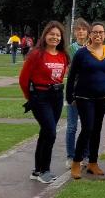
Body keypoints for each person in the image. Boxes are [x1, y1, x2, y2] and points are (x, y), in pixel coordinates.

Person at [19, 21, 69, 184]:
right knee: (51, 132)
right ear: (45, 35)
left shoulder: (63, 55)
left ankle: (37, 169)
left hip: (56, 96)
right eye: (51, 34)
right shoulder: (36, 54)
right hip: (40, 97)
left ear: (61, 38)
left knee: (46, 132)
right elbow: (23, 79)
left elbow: (61, 76)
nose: (54, 37)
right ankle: (45, 170)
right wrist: (30, 98)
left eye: (57, 35)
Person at [66, 21, 105, 180]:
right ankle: (76, 161)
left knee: (97, 130)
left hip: (102, 97)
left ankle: (93, 163)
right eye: (95, 32)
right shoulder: (82, 53)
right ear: (90, 35)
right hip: (83, 97)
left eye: (101, 32)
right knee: (87, 128)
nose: (98, 35)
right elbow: (72, 76)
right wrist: (69, 97)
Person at [65, 18, 90, 167]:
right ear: (74, 32)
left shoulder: (92, 47)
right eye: (78, 29)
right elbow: (69, 70)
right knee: (72, 126)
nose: (81, 32)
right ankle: (70, 155)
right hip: (74, 91)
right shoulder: (70, 49)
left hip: (89, 92)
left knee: (87, 125)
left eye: (83, 29)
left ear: (88, 32)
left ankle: (85, 155)